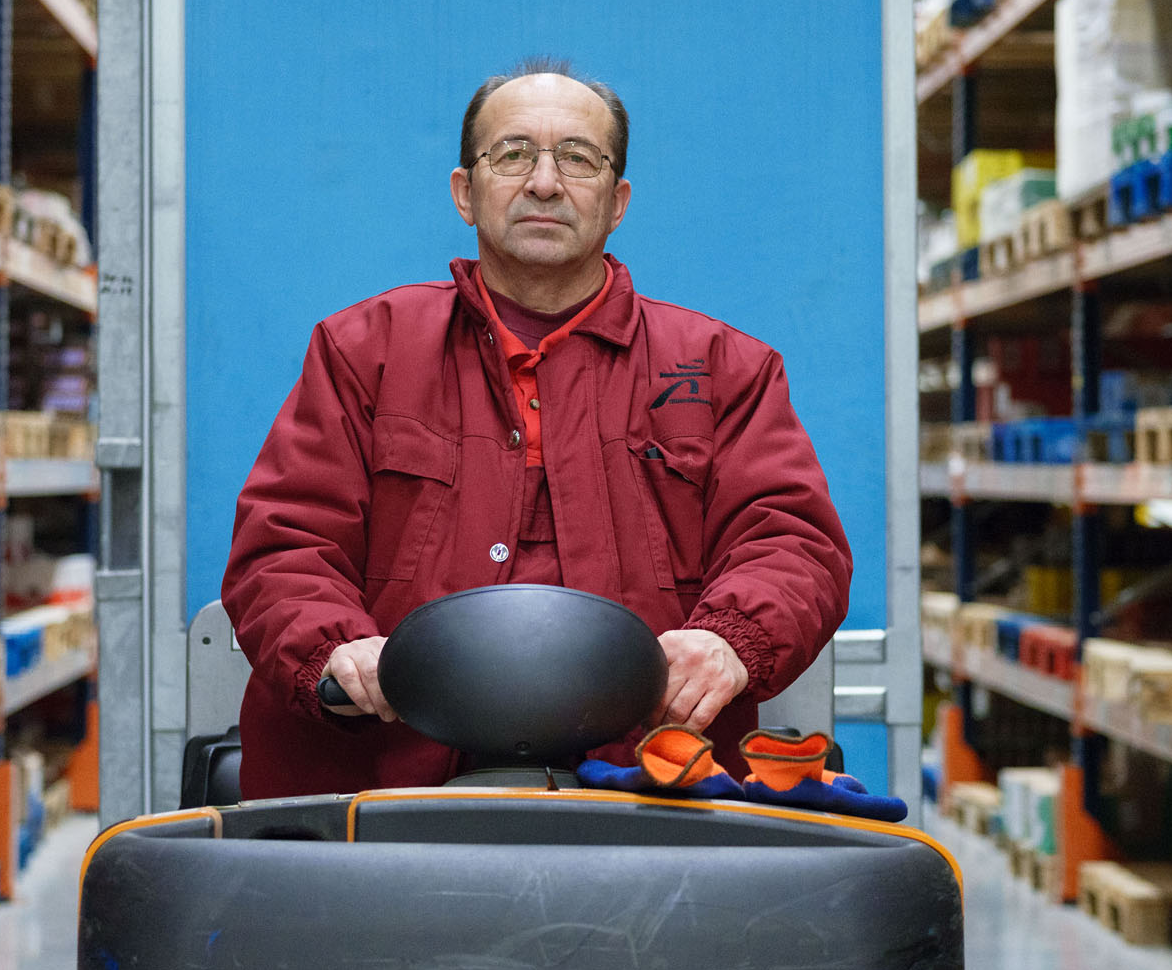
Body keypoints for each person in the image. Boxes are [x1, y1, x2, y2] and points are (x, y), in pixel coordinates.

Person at [221, 59, 853, 798]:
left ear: (617, 202)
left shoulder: (725, 370)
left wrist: (727, 639)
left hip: (654, 793)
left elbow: (793, 542)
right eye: (513, 154)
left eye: (577, 158)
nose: (545, 183)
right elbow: (285, 542)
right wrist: (337, 648)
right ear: (466, 192)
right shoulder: (363, 352)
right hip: (383, 797)